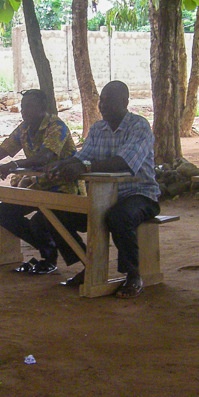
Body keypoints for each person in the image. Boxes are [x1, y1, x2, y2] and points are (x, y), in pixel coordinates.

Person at [37, 80, 161, 299]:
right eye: (101, 100)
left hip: (139, 195)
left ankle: (133, 275)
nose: (102, 105)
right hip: (101, 198)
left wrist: (83, 167)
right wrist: (61, 165)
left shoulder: (138, 126)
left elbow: (124, 162)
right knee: (52, 212)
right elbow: (81, 157)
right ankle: (87, 263)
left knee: (119, 216)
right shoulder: (97, 128)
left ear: (125, 101)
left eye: (109, 100)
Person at [0, 89, 79, 274]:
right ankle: (48, 250)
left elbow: (44, 157)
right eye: (22, 106)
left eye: (29, 106)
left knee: (42, 219)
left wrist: (14, 164)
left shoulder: (57, 126)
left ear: (43, 107)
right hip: (39, 187)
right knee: (2, 212)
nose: (24, 110)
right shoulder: (24, 128)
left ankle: (73, 261)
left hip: (65, 189)